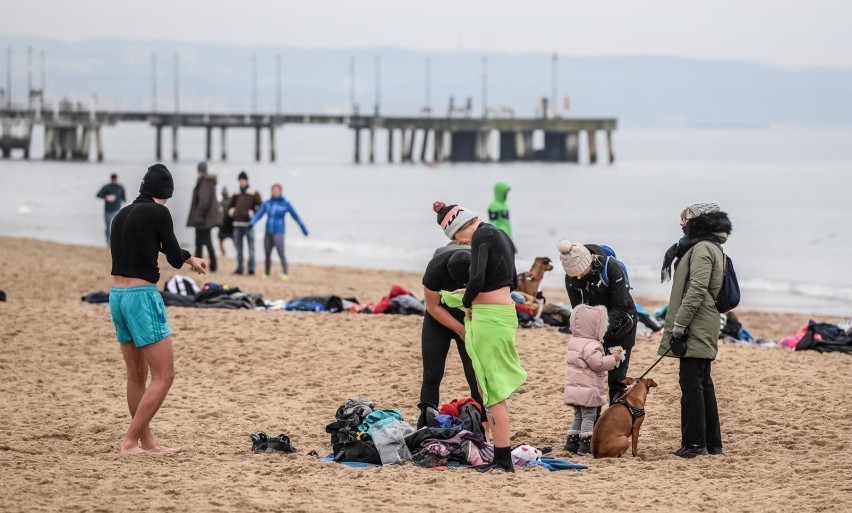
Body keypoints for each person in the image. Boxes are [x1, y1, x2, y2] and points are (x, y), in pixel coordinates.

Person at [108, 163, 207, 454]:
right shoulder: (159, 212)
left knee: (136, 376)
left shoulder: (121, 215)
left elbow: (158, 244)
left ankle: (147, 441)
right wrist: (188, 259)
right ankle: (129, 441)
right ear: (168, 192)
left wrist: (189, 257)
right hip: (141, 297)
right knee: (164, 376)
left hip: (117, 296)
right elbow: (173, 256)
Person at [433, 201, 526, 472]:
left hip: (490, 317)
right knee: (491, 388)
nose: (459, 243)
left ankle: (504, 460)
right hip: (504, 313)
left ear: (460, 229)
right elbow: (514, 280)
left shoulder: (482, 235)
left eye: (455, 237)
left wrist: (469, 303)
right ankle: (500, 456)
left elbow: (476, 277)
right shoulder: (500, 234)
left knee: (491, 390)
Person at [658, 202, 732, 458]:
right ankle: (712, 444)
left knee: (692, 384)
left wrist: (680, 323)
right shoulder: (709, 247)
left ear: (701, 221)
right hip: (701, 321)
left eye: (686, 219)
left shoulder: (701, 249)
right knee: (702, 382)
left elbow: (697, 289)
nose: (681, 223)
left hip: (696, 323)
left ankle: (694, 444)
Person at [558, 240, 637, 404]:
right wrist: (588, 336)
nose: (578, 277)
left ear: (589, 262)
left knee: (616, 381)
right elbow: (579, 311)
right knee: (591, 381)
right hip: (593, 332)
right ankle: (592, 423)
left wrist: (600, 331)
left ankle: (615, 421)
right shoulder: (571, 277)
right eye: (573, 275)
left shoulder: (611, 267)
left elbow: (620, 307)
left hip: (622, 326)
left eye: (580, 272)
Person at [418, 243, 483, 428]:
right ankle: (426, 425)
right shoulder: (434, 269)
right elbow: (432, 306)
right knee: (432, 374)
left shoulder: (483, 267)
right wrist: (460, 330)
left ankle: (481, 425)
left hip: (469, 319)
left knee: (475, 375)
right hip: (437, 320)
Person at [563, 304, 623, 455]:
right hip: (588, 389)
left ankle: (571, 444)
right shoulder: (592, 345)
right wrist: (614, 358)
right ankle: (585, 446)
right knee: (589, 417)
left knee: (578, 416)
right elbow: (598, 364)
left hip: (575, 388)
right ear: (596, 327)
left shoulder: (574, 341)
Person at [248, 183, 308, 280]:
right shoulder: (267, 203)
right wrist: (252, 223)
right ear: (271, 191)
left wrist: (304, 229)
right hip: (268, 232)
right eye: (273, 190)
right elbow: (259, 214)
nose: (275, 192)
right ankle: (267, 273)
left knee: (281, 253)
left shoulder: (285, 203)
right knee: (267, 253)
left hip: (279, 232)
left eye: (277, 190)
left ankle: (285, 273)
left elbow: (296, 217)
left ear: (280, 191)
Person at [186, 162, 222, 272]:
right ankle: (201, 265)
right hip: (207, 219)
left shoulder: (204, 182)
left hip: (203, 220)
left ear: (199, 170)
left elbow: (204, 201)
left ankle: (212, 266)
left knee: (203, 242)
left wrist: (199, 216)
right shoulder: (209, 182)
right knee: (201, 243)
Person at [227, 171, 262, 275]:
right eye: (240, 180)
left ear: (247, 181)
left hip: (249, 225)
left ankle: (251, 269)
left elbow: (260, 207)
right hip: (237, 224)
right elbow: (229, 206)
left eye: (243, 180)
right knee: (239, 249)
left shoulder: (254, 193)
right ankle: (239, 268)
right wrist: (232, 212)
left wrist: (253, 213)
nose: (242, 182)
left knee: (251, 248)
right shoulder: (235, 193)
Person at [96, 173, 126, 245]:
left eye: (115, 180)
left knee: (117, 227)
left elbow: (124, 197)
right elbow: (98, 194)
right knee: (108, 227)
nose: (114, 181)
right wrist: (106, 197)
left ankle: (116, 243)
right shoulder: (106, 187)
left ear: (116, 179)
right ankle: (108, 243)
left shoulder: (120, 187)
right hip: (108, 211)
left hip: (117, 210)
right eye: (113, 180)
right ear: (111, 179)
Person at [217, 186, 233, 256]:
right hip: (229, 224)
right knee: (234, 240)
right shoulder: (231, 201)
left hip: (223, 223)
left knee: (221, 241)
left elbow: (219, 212)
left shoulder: (221, 203)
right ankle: (224, 253)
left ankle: (223, 254)